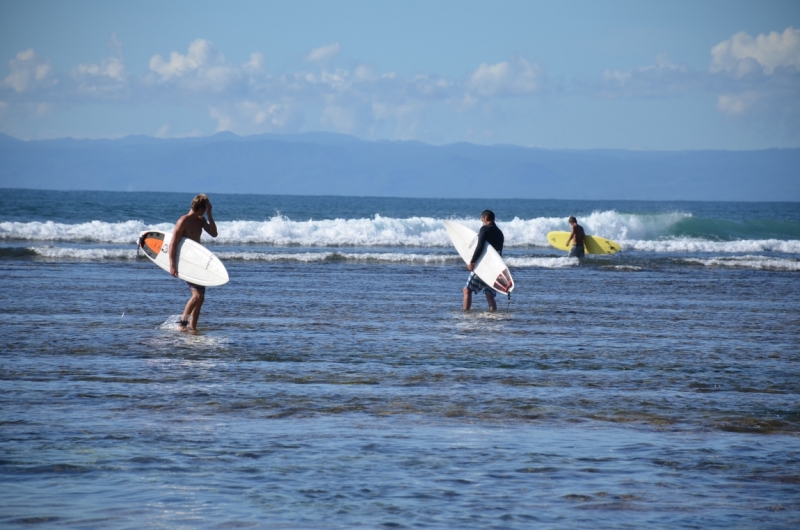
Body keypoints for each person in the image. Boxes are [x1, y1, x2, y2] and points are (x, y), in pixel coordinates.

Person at [170, 194, 218, 331]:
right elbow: (173, 244)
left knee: (201, 298)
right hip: (186, 263)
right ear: (201, 207)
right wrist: (172, 265)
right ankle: (182, 324)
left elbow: (214, 234)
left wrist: (209, 214)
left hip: (198, 263)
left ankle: (193, 328)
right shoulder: (183, 221)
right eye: (206, 208)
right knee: (197, 296)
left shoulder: (201, 220)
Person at [463, 210, 504, 312]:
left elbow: (480, 246)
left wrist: (472, 262)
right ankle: (493, 315)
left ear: (486, 218)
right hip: (495, 268)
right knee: (489, 294)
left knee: (467, 290)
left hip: (483, 266)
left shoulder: (484, 229)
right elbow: (498, 253)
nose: (482, 222)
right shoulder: (500, 233)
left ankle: (465, 313)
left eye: (482, 220)